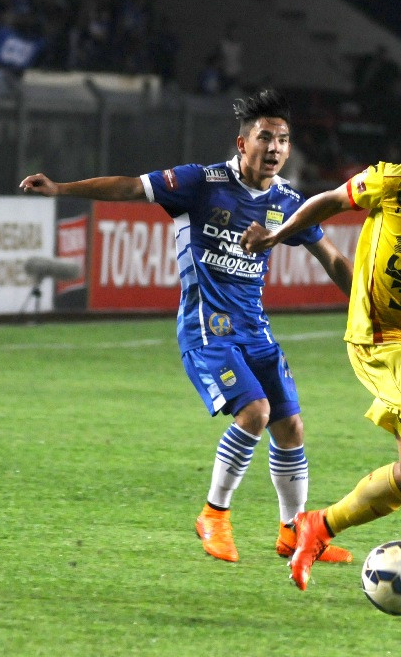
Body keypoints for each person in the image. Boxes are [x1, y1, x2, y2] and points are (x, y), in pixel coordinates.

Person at [20, 89, 355, 565]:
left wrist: (369, 302)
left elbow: (333, 257)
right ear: (242, 144)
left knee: (291, 427)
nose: (276, 148)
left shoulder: (287, 201)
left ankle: (293, 533)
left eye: (283, 140)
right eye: (266, 138)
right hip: (207, 330)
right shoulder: (201, 182)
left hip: (255, 331)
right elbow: (132, 187)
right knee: (255, 412)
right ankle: (214, 515)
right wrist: (62, 189)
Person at [241, 100, 401, 593]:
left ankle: (317, 527)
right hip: (379, 332)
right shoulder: (394, 182)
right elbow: (328, 201)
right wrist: (278, 235)